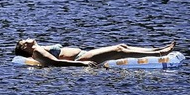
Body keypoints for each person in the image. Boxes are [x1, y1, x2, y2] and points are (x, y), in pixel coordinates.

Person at [14, 38, 176, 67]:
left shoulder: (38, 48)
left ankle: (157, 50)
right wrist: (81, 64)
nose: (28, 39)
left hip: (83, 54)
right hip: (81, 58)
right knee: (119, 50)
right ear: (25, 48)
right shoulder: (37, 51)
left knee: (122, 46)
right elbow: (55, 63)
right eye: (24, 41)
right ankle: (160, 55)